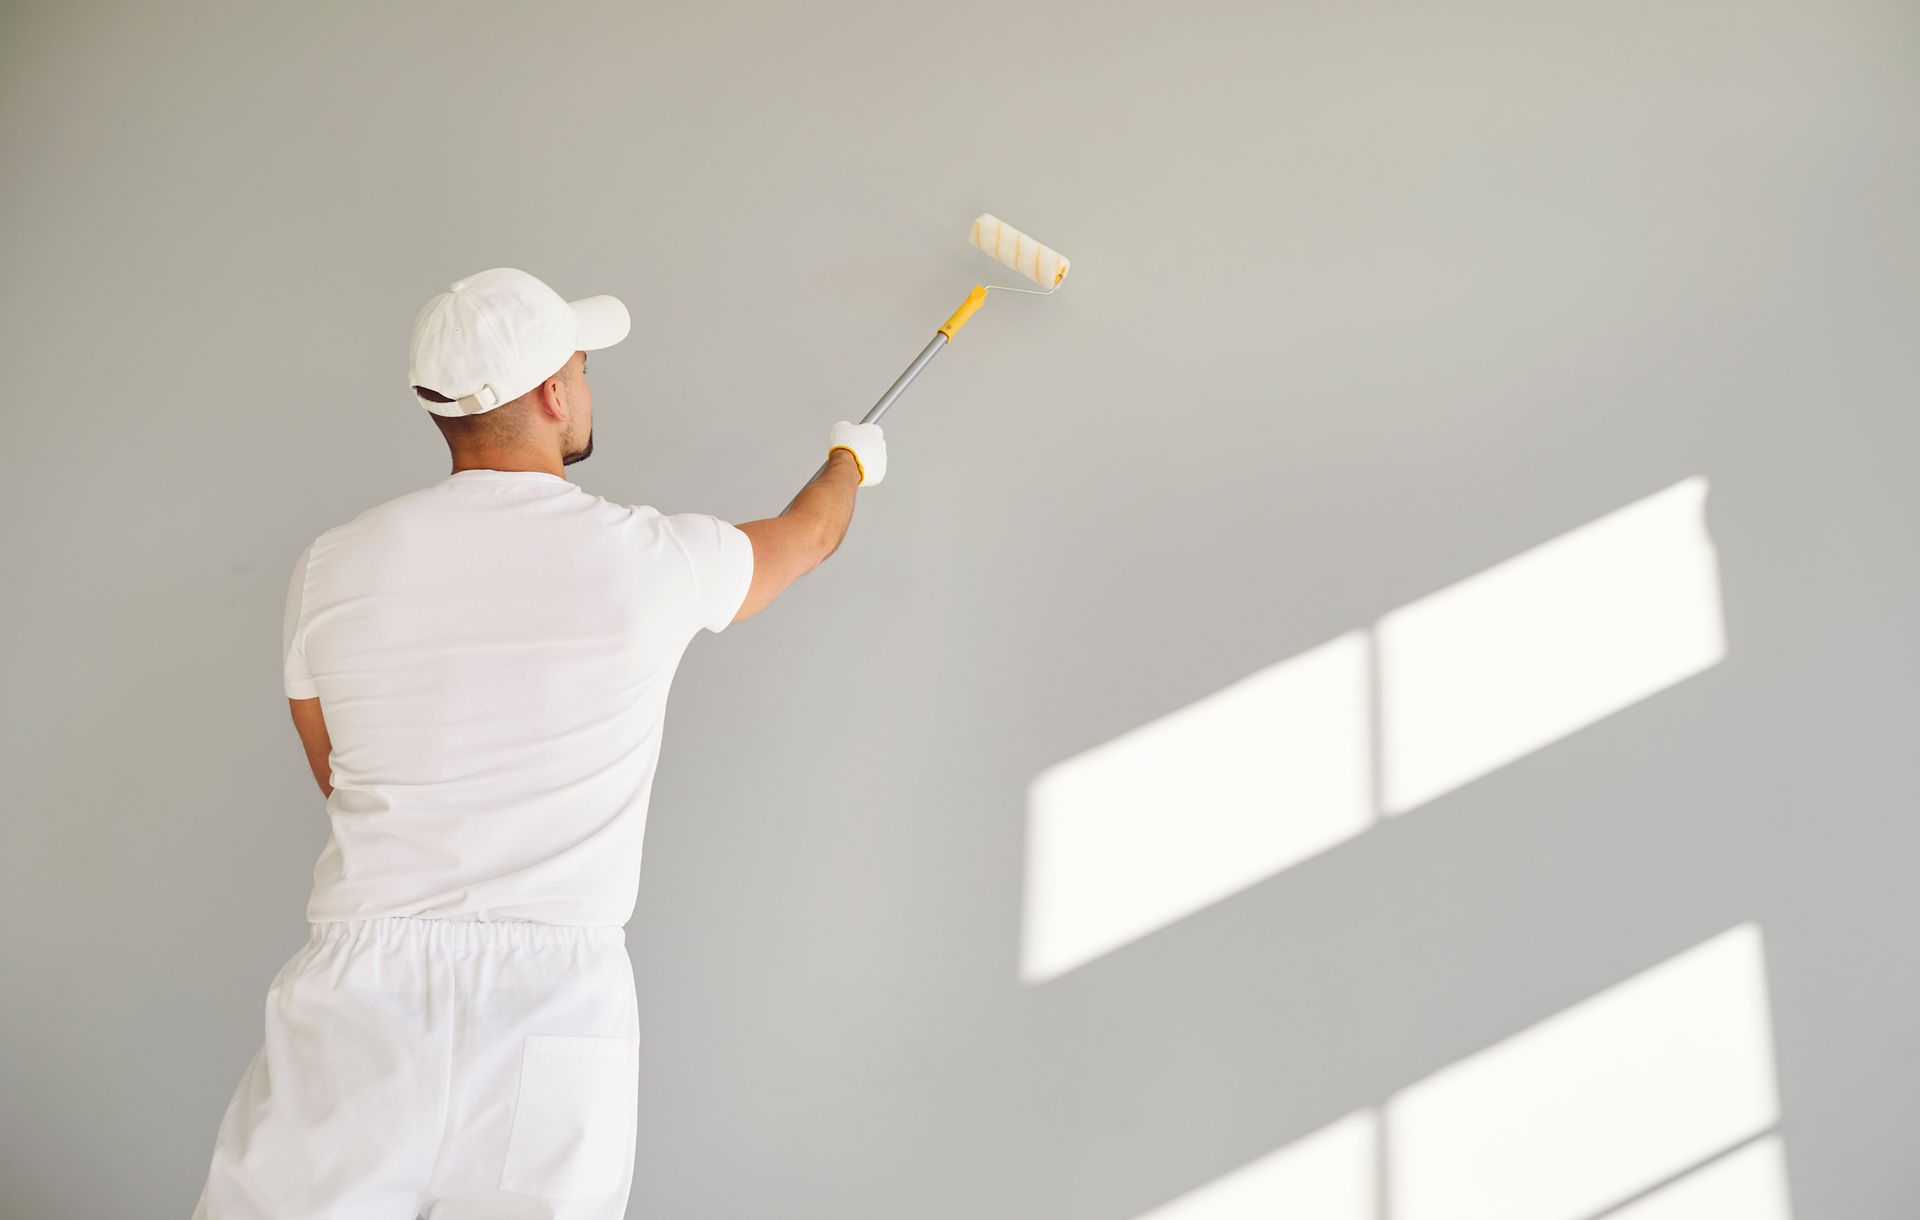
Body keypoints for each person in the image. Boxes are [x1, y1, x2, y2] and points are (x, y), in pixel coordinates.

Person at [190, 266, 886, 1219]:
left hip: (363, 992)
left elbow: (340, 775)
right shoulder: (651, 560)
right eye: (581, 368)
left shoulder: (332, 566)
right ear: (555, 394)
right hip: (554, 998)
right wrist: (851, 461)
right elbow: (807, 537)